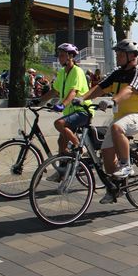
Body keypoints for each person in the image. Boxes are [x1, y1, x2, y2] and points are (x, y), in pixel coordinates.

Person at [77, 39, 138, 204]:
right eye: (117, 53)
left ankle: (126, 165)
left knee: (117, 127)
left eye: (120, 54)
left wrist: (114, 101)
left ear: (131, 56)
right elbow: (100, 87)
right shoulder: (117, 73)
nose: (117, 56)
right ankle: (114, 188)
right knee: (106, 152)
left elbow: (130, 90)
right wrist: (82, 98)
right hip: (122, 117)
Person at [37, 43, 93, 178]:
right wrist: (39, 101)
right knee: (61, 142)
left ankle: (80, 148)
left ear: (70, 56)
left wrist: (62, 104)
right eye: (59, 55)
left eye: (62, 55)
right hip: (70, 113)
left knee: (59, 124)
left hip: (82, 111)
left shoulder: (77, 72)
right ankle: (63, 170)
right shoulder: (62, 72)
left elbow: (73, 91)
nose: (59, 58)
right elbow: (54, 90)